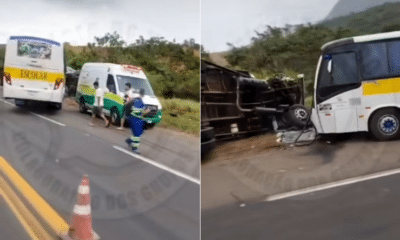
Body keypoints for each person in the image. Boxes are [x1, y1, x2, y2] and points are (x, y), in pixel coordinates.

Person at [125, 88, 150, 154]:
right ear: (143, 94)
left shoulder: (135, 99)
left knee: (136, 134)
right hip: (136, 119)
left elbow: (129, 106)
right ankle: (134, 148)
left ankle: (129, 141)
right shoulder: (140, 101)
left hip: (131, 118)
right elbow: (139, 111)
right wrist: (146, 111)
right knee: (138, 135)